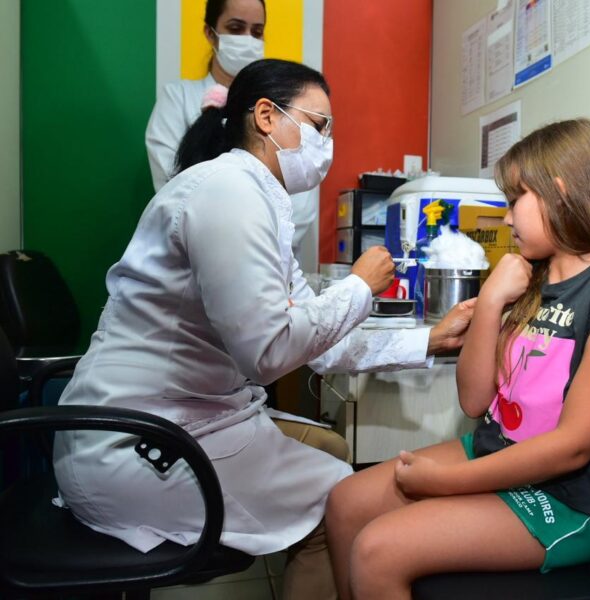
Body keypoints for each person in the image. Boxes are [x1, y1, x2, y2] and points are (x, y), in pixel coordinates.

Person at [53, 58, 473, 600]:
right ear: (267, 117)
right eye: (320, 125)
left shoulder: (259, 201)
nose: (328, 143)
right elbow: (270, 350)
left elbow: (316, 342)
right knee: (344, 502)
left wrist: (428, 341)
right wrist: (360, 287)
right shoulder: (226, 192)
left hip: (182, 418)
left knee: (327, 445)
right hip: (138, 443)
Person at [325, 119, 590, 600]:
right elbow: (475, 401)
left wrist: (449, 482)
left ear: (558, 193)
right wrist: (492, 299)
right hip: (500, 454)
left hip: (569, 499)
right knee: (346, 502)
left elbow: (573, 448)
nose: (507, 218)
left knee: (377, 550)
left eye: (514, 201)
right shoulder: (532, 279)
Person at [145, 0, 317, 252]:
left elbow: (300, 200)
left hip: (270, 261)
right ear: (209, 33)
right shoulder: (177, 100)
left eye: (257, 32)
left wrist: (258, 250)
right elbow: (174, 189)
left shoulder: (279, 111)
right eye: (236, 28)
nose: (248, 39)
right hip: (193, 260)